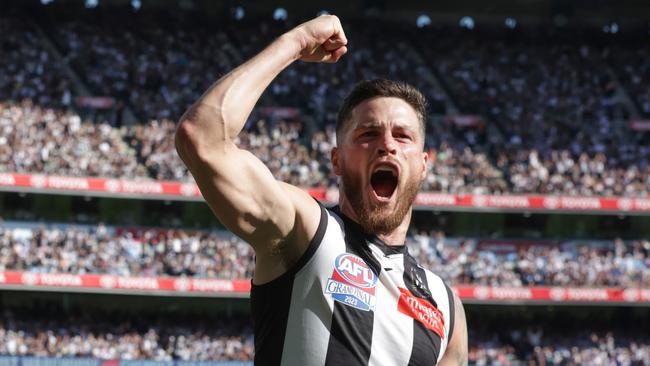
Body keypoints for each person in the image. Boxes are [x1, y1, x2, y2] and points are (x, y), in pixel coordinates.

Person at [175, 15, 467, 366]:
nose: (386, 145)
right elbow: (202, 138)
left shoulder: (445, 306)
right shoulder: (305, 231)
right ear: (337, 161)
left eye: (402, 136)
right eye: (367, 134)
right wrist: (294, 44)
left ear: (423, 163)